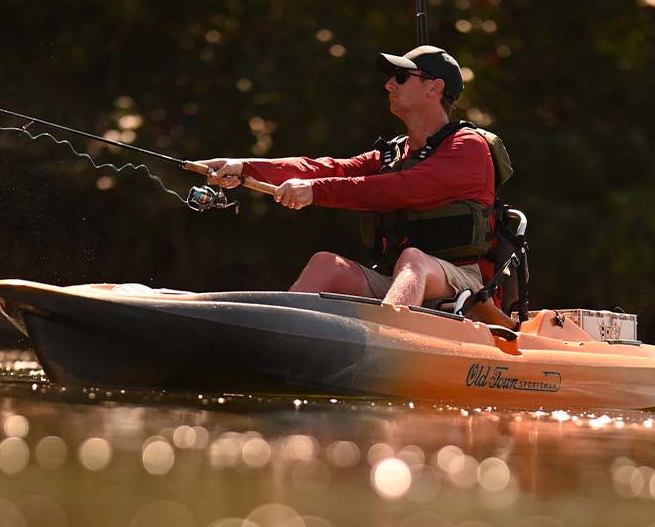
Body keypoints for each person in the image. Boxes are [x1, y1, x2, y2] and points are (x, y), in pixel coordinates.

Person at [199, 45, 513, 327]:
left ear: (434, 87)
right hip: (399, 282)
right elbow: (327, 167)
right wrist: (244, 166)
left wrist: (315, 191)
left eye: (401, 77)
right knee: (327, 264)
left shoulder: (467, 147)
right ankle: (274, 334)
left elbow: (404, 188)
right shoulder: (394, 152)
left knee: (413, 259)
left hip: (465, 286)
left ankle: (385, 343)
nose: (388, 84)